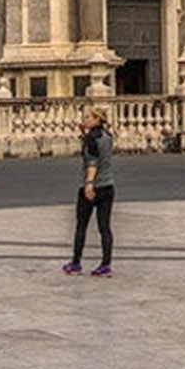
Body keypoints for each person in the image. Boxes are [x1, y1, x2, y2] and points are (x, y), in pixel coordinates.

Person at [63, 105, 116, 277]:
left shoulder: (91, 140)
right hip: (108, 185)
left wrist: (89, 184)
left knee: (81, 226)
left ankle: (76, 263)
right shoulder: (107, 136)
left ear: (96, 119)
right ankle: (106, 264)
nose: (84, 119)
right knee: (104, 227)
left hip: (93, 185)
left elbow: (92, 162)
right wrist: (84, 134)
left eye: (88, 117)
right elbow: (99, 148)